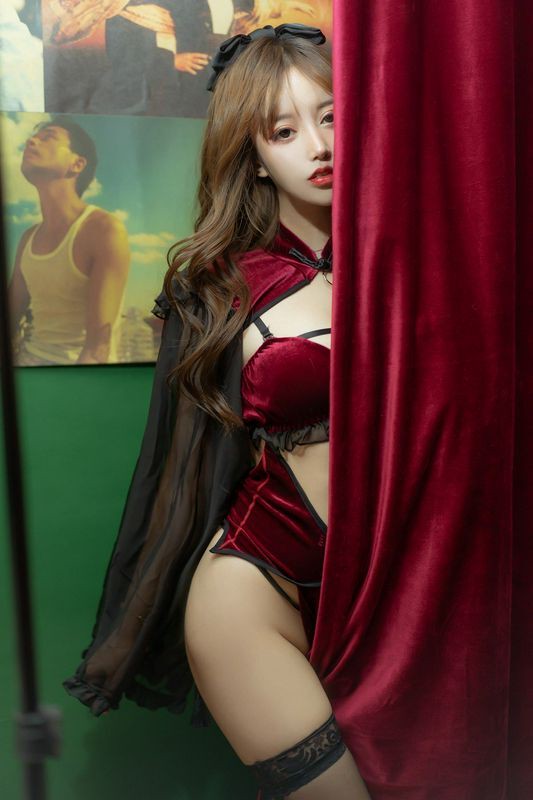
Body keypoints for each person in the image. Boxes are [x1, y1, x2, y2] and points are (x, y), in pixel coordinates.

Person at [63, 24, 371, 799]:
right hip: (256, 594)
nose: (316, 145)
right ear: (255, 155)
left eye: (331, 117)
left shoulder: (417, 262)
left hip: (398, 584)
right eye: (283, 130)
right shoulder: (220, 286)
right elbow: (174, 466)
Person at [9, 117, 130, 365]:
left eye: (48, 137)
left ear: (77, 164)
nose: (31, 141)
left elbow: (97, 350)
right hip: (28, 366)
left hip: (79, 374)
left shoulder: (104, 230)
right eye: (33, 137)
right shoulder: (28, 238)